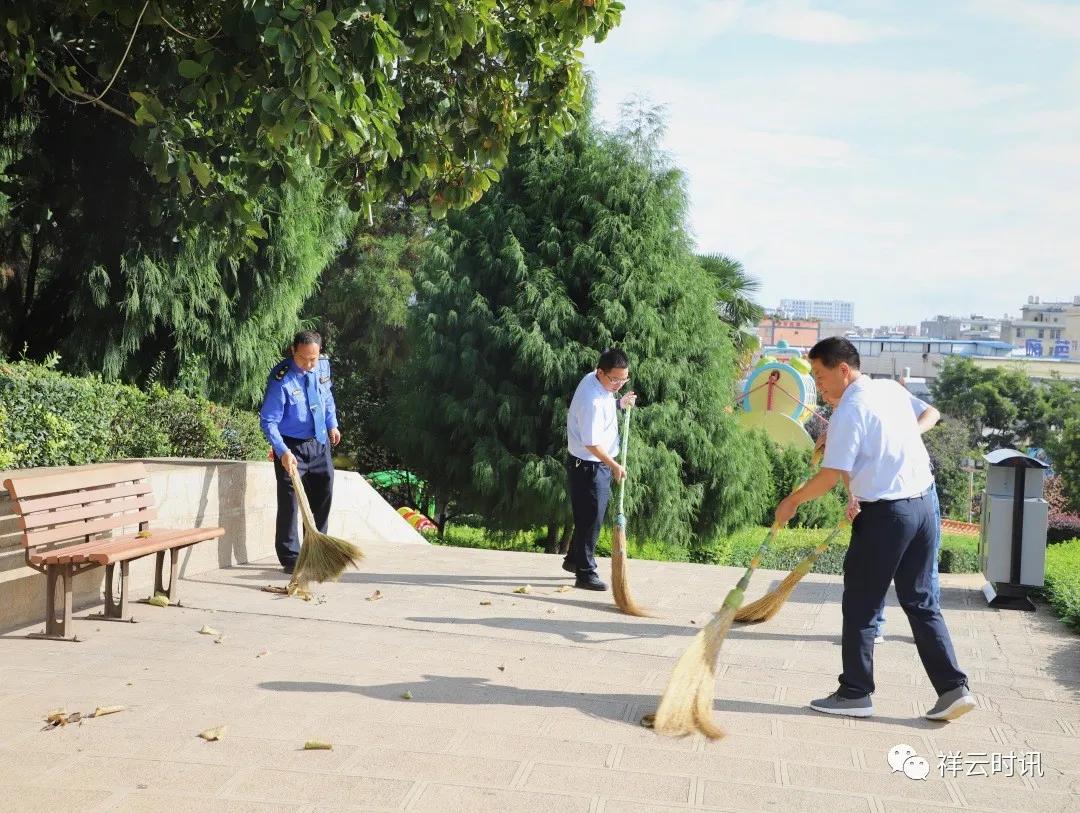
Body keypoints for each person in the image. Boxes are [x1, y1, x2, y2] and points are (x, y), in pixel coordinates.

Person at [776, 337, 973, 721]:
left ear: (843, 369)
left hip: (887, 517)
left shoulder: (850, 408)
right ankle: (954, 689)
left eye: (820, 375)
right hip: (923, 508)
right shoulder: (888, 389)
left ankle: (855, 693)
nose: (819, 386)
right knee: (920, 601)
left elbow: (830, 476)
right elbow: (904, 430)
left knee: (862, 604)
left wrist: (792, 501)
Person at [816, 389, 943, 645]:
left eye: (823, 381)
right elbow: (844, 464)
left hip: (918, 495)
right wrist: (853, 496)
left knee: (923, 573)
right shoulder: (844, 413)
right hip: (879, 503)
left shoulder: (884, 395)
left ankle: (928, 632)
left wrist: (908, 434)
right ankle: (873, 629)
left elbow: (932, 413)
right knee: (875, 569)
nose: (824, 393)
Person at [259, 331, 341, 574]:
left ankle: (316, 551)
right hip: (290, 447)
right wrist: (282, 451)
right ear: (293, 351)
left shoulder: (322, 367)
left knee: (323, 495)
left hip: (319, 442)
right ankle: (291, 558)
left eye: (313, 359)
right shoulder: (281, 380)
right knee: (290, 504)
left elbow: (327, 398)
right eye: (304, 358)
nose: (309, 364)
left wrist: (332, 424)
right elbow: (268, 421)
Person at [563, 348, 637, 590]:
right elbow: (592, 443)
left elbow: (605, 406)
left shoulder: (595, 382)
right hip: (590, 466)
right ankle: (585, 573)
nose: (618, 384)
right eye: (614, 379)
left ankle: (574, 560)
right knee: (592, 519)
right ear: (600, 372)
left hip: (590, 464)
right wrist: (614, 465)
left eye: (623, 379)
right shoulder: (592, 401)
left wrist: (619, 403)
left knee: (587, 516)